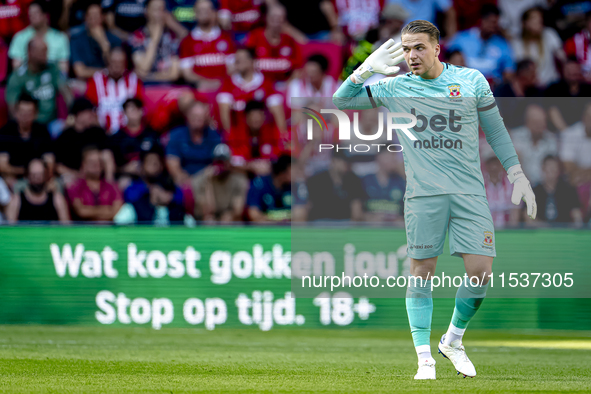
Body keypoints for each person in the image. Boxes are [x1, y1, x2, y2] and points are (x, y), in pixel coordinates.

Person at [333, 20, 537, 379]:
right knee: (421, 272)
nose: (412, 55)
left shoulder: (471, 81)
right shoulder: (394, 86)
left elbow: (496, 131)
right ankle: (424, 357)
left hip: (469, 193)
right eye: (406, 49)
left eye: (419, 48)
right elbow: (340, 101)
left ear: (436, 48)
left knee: (481, 272)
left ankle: (453, 340)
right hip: (423, 195)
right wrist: (363, 69)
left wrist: (516, 173)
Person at [216, 48, 286, 134]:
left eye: (242, 58)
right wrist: (229, 136)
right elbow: (224, 111)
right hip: (238, 135)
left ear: (252, 61)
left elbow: (277, 111)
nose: (237, 61)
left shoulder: (266, 83)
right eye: (236, 58)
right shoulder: (228, 83)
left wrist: (282, 135)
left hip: (263, 135)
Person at [5, 36, 72, 125]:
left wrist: (72, 115)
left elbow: (67, 94)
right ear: (30, 52)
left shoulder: (53, 69)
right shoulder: (18, 76)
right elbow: (12, 108)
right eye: (42, 51)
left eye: (46, 51)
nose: (46, 55)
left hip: (52, 123)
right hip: (29, 126)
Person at [446, 4, 514, 84]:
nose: (492, 25)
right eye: (489, 21)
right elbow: (447, 63)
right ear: (481, 20)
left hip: (493, 90)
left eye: (495, 22)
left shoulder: (503, 45)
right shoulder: (461, 39)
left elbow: (509, 73)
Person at [54, 98, 115, 184]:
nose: (92, 114)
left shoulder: (98, 132)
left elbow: (108, 154)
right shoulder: (65, 136)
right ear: (79, 114)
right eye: (89, 111)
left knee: (106, 154)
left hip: (98, 174)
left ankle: (110, 187)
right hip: (75, 176)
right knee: (66, 180)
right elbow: (58, 166)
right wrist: (76, 174)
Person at [179, 0, 236, 92]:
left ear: (213, 12)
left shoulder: (226, 38)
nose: (203, 14)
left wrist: (221, 83)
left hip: (224, 88)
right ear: (195, 14)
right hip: (199, 90)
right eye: (199, 11)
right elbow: (187, 73)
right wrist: (205, 82)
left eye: (206, 10)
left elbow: (232, 68)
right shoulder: (187, 41)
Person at [85, 47, 144, 133]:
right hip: (102, 135)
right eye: (114, 62)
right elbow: (89, 110)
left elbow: (140, 111)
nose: (117, 66)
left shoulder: (134, 81)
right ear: (108, 62)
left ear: (125, 64)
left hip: (127, 136)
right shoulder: (96, 81)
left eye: (120, 63)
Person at [245, 3, 303, 90]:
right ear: (266, 18)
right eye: (273, 18)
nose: (276, 22)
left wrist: (288, 85)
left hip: (284, 85)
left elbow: (298, 69)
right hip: (259, 85)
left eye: (280, 19)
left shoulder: (289, 40)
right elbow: (245, 62)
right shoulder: (254, 37)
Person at [123, 143, 184, 224]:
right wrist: (150, 193)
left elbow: (181, 197)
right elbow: (130, 199)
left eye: (156, 160)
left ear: (162, 165)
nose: (154, 164)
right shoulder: (134, 186)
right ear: (141, 166)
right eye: (149, 161)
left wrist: (169, 197)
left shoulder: (168, 185)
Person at [0, 94, 54, 186]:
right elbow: (2, 166)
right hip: (13, 179)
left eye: (29, 112)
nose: (25, 116)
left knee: (54, 184)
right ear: (16, 113)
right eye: (22, 112)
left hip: (39, 179)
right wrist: (26, 172)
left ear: (35, 114)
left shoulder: (43, 132)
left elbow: (50, 164)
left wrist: (36, 176)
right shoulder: (6, 132)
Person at [166, 101, 222, 185]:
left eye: (200, 116)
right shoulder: (176, 135)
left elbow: (218, 164)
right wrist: (180, 176)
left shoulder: (214, 136)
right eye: (194, 116)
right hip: (184, 180)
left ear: (205, 118)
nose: (197, 119)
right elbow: (172, 162)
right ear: (187, 116)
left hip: (208, 180)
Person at [8, 0, 69, 74]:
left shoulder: (60, 38)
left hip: (53, 79)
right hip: (28, 79)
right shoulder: (19, 37)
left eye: (36, 13)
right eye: (30, 14)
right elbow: (17, 68)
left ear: (45, 15)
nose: (32, 16)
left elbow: (63, 68)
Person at [191, 143, 248, 221]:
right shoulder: (201, 179)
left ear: (229, 162)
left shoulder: (239, 180)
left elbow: (237, 211)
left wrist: (229, 215)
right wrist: (208, 182)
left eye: (223, 161)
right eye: (218, 161)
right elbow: (207, 211)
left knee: (230, 220)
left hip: (229, 218)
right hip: (210, 217)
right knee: (209, 220)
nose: (220, 165)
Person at [511, 7, 566, 88]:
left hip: (552, 85)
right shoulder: (516, 43)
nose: (539, 20)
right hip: (529, 88)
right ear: (525, 23)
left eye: (540, 17)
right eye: (534, 18)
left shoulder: (549, 34)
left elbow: (563, 57)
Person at [306, 151, 366, 221]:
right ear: (333, 161)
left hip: (345, 223)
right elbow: (308, 207)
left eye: (347, 161)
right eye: (342, 161)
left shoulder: (354, 180)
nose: (346, 164)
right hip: (321, 222)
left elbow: (356, 210)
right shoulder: (316, 180)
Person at [129, 0, 180, 83]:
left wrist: (149, 77)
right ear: (146, 11)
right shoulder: (137, 36)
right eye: (155, 9)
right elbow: (144, 67)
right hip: (144, 87)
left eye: (162, 9)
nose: (159, 14)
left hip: (167, 86)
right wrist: (155, 39)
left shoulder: (172, 36)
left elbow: (174, 74)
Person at [66, 146, 123, 221]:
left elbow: (117, 212)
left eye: (99, 162)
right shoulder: (74, 187)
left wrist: (90, 211)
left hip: (108, 230)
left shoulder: (113, 187)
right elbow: (81, 211)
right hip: (83, 230)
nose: (96, 165)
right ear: (84, 165)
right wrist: (106, 210)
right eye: (91, 162)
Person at [109, 98, 159, 182]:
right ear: (124, 113)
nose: (134, 112)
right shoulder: (116, 138)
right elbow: (111, 166)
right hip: (125, 176)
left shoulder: (152, 134)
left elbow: (159, 159)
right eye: (130, 109)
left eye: (137, 109)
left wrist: (146, 167)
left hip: (151, 176)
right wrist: (124, 169)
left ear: (142, 111)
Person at [225, 100, 283, 172]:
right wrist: (250, 167)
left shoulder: (272, 133)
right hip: (244, 172)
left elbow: (279, 156)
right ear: (246, 118)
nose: (256, 119)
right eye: (253, 116)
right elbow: (232, 160)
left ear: (264, 117)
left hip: (269, 172)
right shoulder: (236, 135)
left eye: (259, 115)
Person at [5, 158, 69, 223]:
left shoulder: (57, 199)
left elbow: (66, 228)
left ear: (46, 176)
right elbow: (9, 228)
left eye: (40, 175)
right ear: (27, 176)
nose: (37, 178)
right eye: (33, 175)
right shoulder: (16, 200)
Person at [70, 3, 122, 80]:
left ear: (102, 17)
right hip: (87, 82)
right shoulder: (77, 40)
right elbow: (80, 72)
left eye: (97, 16)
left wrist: (104, 44)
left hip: (109, 82)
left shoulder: (115, 40)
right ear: (86, 18)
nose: (94, 20)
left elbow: (116, 70)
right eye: (91, 16)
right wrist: (105, 72)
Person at [511, 105, 558, 185]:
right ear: (527, 122)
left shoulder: (551, 139)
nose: (540, 126)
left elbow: (553, 168)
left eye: (542, 122)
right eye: (536, 122)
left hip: (545, 187)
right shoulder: (516, 137)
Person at [531, 156, 583, 225]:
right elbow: (528, 216)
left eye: (554, 167)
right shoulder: (535, 190)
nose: (552, 170)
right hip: (540, 231)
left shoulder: (569, 190)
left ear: (559, 170)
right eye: (549, 166)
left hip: (564, 231)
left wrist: (576, 228)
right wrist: (543, 227)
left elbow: (576, 214)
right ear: (543, 168)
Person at [545, 59, 591, 131]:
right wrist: (567, 132)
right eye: (569, 71)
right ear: (564, 72)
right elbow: (550, 109)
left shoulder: (587, 88)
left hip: (584, 128)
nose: (572, 73)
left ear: (579, 71)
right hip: (561, 129)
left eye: (574, 71)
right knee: (552, 109)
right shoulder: (554, 88)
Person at [362, 150, 405, 223]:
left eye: (394, 158)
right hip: (370, 228)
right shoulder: (365, 181)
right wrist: (368, 217)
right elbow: (357, 213)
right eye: (389, 157)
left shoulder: (401, 182)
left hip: (395, 229)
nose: (393, 161)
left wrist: (401, 219)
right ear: (379, 158)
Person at [246, 154, 292, 222]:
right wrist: (277, 219)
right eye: (293, 170)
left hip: (287, 228)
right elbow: (253, 215)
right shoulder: (259, 184)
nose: (296, 173)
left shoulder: (295, 186)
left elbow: (301, 214)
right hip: (266, 228)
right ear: (283, 172)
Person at [559, 103, 591, 186]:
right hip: (575, 181)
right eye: (589, 117)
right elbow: (568, 165)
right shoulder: (570, 134)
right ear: (583, 118)